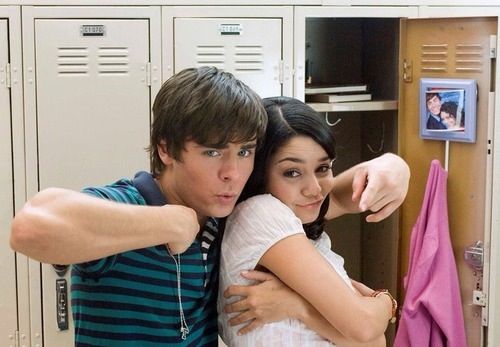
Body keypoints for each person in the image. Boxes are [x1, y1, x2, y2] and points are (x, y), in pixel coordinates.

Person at [10, 67, 409, 346]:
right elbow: (30, 226)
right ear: (166, 149)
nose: (233, 173)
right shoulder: (128, 205)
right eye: (213, 151)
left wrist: (393, 164)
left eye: (246, 151)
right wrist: (167, 222)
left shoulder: (224, 215)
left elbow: (328, 194)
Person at [219, 97, 395, 347]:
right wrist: (386, 303)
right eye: (292, 172)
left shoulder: (295, 227)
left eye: (323, 168)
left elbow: (373, 342)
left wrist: (298, 306)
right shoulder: (260, 213)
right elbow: (367, 328)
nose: (314, 189)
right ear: (259, 173)